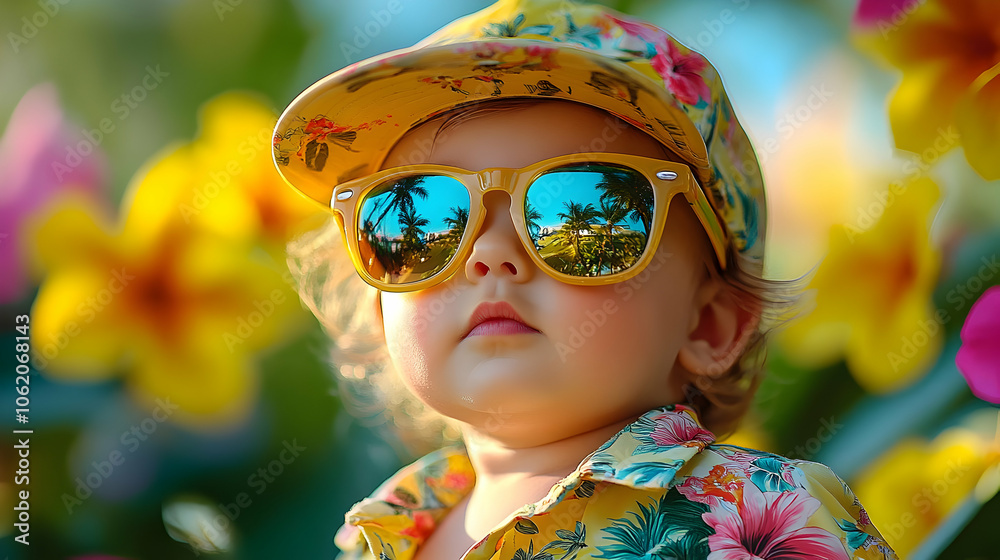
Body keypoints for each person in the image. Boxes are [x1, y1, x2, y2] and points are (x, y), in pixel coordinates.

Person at [272, 0, 897, 558]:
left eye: (586, 215)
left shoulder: (764, 515)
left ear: (708, 323)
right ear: (382, 313)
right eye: (417, 223)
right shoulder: (375, 541)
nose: (488, 255)